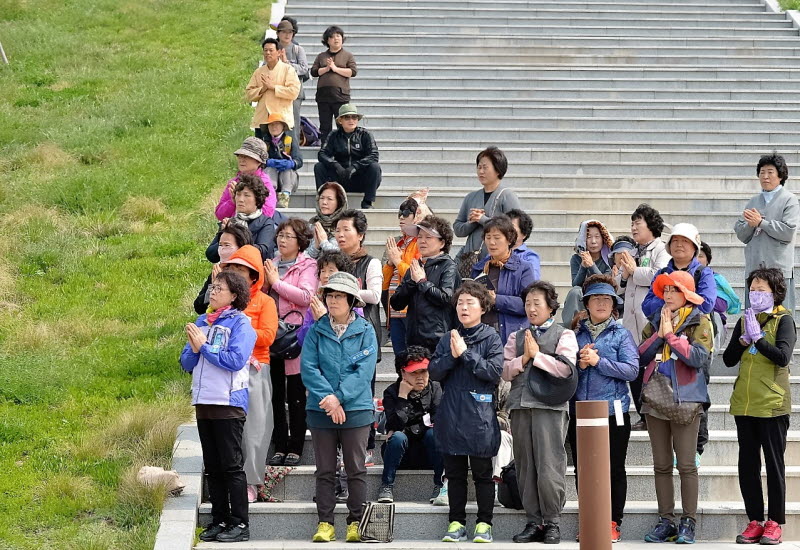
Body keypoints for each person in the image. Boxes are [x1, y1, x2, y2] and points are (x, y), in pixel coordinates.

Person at [301, 272, 377, 543]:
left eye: (339, 296)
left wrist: (339, 398)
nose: (332, 301)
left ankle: (356, 522)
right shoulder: (316, 329)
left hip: (356, 410)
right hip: (320, 409)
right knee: (325, 470)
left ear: (352, 300)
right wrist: (329, 399)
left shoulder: (366, 330)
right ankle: (325, 523)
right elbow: (309, 368)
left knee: (356, 469)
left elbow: (364, 371)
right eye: (329, 295)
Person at [180, 271, 256, 543]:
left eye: (219, 288)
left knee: (231, 466)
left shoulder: (241, 324)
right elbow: (186, 363)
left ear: (234, 295)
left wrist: (204, 346)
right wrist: (194, 349)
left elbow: (235, 360)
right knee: (212, 467)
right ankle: (219, 519)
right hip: (204, 403)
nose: (212, 292)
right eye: (212, 287)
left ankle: (240, 523)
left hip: (228, 404)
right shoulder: (202, 322)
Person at [723, 267, 796, 545]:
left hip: (772, 404)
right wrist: (743, 339)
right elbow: (729, 360)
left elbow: (782, 357)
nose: (755, 294)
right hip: (745, 403)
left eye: (761, 290)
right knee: (747, 465)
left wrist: (759, 339)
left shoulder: (784, 320)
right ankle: (754, 520)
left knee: (774, 465)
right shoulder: (746, 320)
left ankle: (774, 522)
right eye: (752, 289)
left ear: (775, 293)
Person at [502, 281, 579, 545]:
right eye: (528, 304)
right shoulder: (516, 336)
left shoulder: (564, 334)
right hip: (520, 405)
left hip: (550, 406)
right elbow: (505, 371)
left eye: (537, 303)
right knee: (525, 466)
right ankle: (533, 521)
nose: (531, 309)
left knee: (549, 465)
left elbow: (566, 369)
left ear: (551, 307)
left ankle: (552, 521)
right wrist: (523, 358)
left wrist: (537, 356)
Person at [638, 271, 712, 544]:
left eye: (674, 290)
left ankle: (688, 521)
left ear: (686, 294)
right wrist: (659, 335)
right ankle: (666, 520)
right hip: (656, 397)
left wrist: (671, 336)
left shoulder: (700, 320)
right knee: (661, 465)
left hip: (687, 399)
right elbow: (639, 356)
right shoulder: (655, 319)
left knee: (687, 465)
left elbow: (698, 358)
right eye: (666, 290)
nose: (668, 295)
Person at [429, 281, 504, 544]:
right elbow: (434, 372)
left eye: (470, 302)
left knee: (483, 474)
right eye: (460, 302)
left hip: (480, 415)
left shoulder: (491, 338)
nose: (464, 307)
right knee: (455, 474)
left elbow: (493, 373)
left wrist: (465, 354)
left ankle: (484, 523)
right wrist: (452, 355)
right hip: (451, 413)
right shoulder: (448, 338)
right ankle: (456, 522)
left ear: (483, 308)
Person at [567, 275, 639, 543]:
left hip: (614, 411)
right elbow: (565, 373)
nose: (601, 303)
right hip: (581, 412)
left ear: (613, 305)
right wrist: (580, 366)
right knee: (582, 469)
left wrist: (599, 362)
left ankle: (612, 521)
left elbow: (632, 370)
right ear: (586, 304)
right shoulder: (575, 335)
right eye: (596, 298)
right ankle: (589, 520)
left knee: (614, 468)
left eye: (606, 299)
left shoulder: (621, 334)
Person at [220, 246, 279, 502]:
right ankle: (228, 479)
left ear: (254, 276)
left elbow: (268, 336)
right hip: (225, 369)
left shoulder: (265, 302)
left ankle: (251, 481)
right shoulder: (222, 302)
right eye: (231, 268)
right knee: (227, 429)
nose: (235, 273)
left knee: (255, 428)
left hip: (255, 368)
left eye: (241, 270)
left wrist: (240, 330)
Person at [263, 218, 317, 467]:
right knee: (275, 395)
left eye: (288, 236)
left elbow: (307, 296)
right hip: (271, 335)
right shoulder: (271, 263)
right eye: (280, 235)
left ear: (301, 241)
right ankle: (279, 445)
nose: (282, 240)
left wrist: (276, 283)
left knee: (296, 395)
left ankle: (295, 446)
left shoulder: (308, 265)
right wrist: (267, 284)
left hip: (294, 337)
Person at [615, 203, 670, 431]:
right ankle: (642, 414)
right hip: (631, 321)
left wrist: (634, 271)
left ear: (651, 226)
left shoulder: (661, 250)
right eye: (632, 223)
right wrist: (624, 274)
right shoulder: (632, 251)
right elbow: (619, 284)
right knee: (634, 367)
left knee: (651, 368)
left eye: (638, 223)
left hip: (650, 321)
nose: (634, 227)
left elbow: (660, 276)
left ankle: (654, 413)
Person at [336, 209, 383, 461]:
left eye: (347, 230)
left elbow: (374, 295)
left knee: (363, 393)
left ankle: (366, 446)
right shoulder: (331, 261)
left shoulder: (370, 262)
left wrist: (343, 291)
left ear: (361, 235)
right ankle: (339, 446)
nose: (341, 235)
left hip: (363, 338)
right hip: (336, 337)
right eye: (337, 230)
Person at [377, 346, 444, 504]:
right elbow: (394, 424)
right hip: (402, 455)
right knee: (398, 437)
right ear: (403, 373)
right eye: (414, 373)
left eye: (424, 371)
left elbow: (439, 419)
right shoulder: (391, 392)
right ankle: (386, 485)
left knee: (434, 434)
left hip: (429, 453)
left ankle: (440, 485)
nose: (420, 377)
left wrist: (410, 428)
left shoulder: (435, 388)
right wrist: (402, 397)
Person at [734, 154, 799, 316]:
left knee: (780, 316)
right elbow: (741, 234)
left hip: (778, 269)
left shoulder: (789, 200)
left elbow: (788, 231)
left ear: (781, 175)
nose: (765, 176)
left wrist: (761, 223)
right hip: (755, 269)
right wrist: (750, 225)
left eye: (770, 172)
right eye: (762, 172)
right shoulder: (753, 201)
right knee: (753, 318)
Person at [391, 215, 460, 352]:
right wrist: (412, 282)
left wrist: (422, 282)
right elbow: (396, 303)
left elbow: (446, 298)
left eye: (428, 237)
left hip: (439, 339)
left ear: (442, 243)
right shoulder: (416, 266)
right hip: (414, 338)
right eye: (420, 237)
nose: (422, 241)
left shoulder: (448, 266)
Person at [453, 147, 522, 275]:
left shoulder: (507, 196)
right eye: (479, 167)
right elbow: (458, 229)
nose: (481, 171)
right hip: (471, 261)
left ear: (498, 169)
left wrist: (483, 220)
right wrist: (472, 222)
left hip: (497, 262)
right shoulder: (471, 197)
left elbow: (514, 230)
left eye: (485, 167)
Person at [471, 214, 537, 343]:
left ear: (509, 239)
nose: (492, 242)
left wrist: (496, 299)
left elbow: (528, 305)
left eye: (497, 237)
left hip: (510, 335)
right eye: (488, 237)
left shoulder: (523, 268)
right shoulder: (479, 268)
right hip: (481, 333)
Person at [641, 222, 717, 318]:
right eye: (675, 240)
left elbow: (707, 305)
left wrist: (679, 296)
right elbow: (647, 307)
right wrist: (667, 297)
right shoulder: (662, 273)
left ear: (694, 247)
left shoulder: (703, 273)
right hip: (664, 325)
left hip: (694, 326)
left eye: (685, 241)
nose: (679, 244)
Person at [315, 104, 381, 209]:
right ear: (340, 120)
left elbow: (374, 155)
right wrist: (336, 165)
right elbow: (322, 154)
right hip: (340, 178)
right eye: (347, 117)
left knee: (375, 167)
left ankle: (367, 202)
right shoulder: (334, 135)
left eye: (354, 117)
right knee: (319, 167)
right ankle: (324, 199)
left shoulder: (365, 134)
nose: (351, 120)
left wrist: (355, 167)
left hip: (360, 178)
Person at [382, 197, 425, 356]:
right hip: (394, 309)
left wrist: (397, 261)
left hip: (411, 310)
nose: (401, 217)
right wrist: (390, 263)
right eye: (400, 213)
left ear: (416, 216)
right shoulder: (399, 243)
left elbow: (416, 275)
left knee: (413, 357)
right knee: (399, 358)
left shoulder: (420, 243)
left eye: (406, 213)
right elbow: (384, 283)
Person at [207, 175, 277, 262]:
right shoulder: (230, 222)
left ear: (257, 199)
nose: (240, 199)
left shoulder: (265, 223)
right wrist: (223, 236)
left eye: (246, 195)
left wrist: (235, 235)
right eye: (238, 194)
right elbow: (211, 255)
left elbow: (263, 252)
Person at [298, 250, 356, 347]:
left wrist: (323, 320)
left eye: (331, 271)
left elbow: (354, 339)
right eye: (323, 271)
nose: (325, 275)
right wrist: (315, 321)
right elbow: (302, 340)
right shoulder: (317, 303)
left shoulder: (352, 301)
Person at [246, 38, 301, 140]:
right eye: (265, 50)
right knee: (261, 148)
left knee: (286, 148)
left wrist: (273, 87)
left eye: (271, 50)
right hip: (262, 119)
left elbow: (294, 92)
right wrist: (262, 89)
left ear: (279, 52)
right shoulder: (259, 72)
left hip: (282, 119)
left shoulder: (288, 69)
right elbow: (249, 94)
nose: (268, 53)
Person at [310, 25, 357, 144]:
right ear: (327, 40)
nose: (336, 39)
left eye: (338, 36)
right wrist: (326, 68)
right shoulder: (321, 56)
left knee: (343, 125)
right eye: (332, 37)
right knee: (325, 126)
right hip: (323, 96)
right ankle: (325, 149)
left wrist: (335, 68)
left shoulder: (347, 55)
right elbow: (314, 72)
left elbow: (352, 72)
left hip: (340, 96)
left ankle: (343, 148)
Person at [562, 220, 614, 326]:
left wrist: (591, 265)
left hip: (602, 294)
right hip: (584, 296)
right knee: (575, 291)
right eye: (589, 237)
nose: (593, 241)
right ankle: (573, 326)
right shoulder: (576, 259)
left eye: (597, 237)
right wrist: (583, 266)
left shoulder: (609, 258)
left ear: (603, 239)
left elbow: (605, 284)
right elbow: (576, 284)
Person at [195, 223, 253, 314]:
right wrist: (213, 286)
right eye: (220, 245)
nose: (222, 249)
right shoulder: (219, 270)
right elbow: (199, 307)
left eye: (227, 245)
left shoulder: (251, 271)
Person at [215, 137, 277, 221]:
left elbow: (267, 214)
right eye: (240, 156)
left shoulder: (264, 183)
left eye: (247, 157)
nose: (242, 160)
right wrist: (232, 202)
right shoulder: (233, 183)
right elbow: (219, 215)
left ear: (259, 161)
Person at [276, 18, 309, 136]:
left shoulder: (298, 49)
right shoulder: (273, 49)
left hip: (295, 92)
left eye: (290, 32)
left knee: (293, 122)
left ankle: (294, 147)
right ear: (278, 33)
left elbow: (304, 68)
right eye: (284, 32)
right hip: (277, 91)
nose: (287, 35)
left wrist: (286, 63)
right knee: (276, 121)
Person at [262, 113, 303, 208]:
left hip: (287, 180)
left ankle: (284, 198)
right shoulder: (264, 142)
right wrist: (268, 162)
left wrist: (291, 163)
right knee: (269, 169)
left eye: (277, 124)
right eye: (271, 124)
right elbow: (258, 160)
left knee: (288, 170)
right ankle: (270, 197)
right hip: (271, 178)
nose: (273, 127)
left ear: (283, 126)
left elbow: (299, 160)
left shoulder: (290, 140)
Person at [306, 181, 348, 259]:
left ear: (339, 202)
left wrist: (324, 242)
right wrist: (316, 246)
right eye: (322, 198)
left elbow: (342, 256)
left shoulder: (345, 225)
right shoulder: (313, 224)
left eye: (330, 199)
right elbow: (304, 259)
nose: (324, 202)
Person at [506, 208, 541, 279]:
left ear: (524, 234)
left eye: (512, 229)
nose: (507, 232)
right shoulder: (493, 253)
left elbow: (532, 281)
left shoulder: (529, 256)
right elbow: (483, 279)